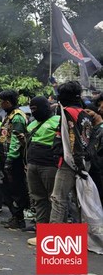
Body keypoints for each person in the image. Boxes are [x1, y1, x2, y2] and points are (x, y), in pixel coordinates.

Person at [50, 81, 92, 223]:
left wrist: (77, 163)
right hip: (83, 162)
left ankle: (53, 237)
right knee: (79, 200)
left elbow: (74, 140)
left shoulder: (68, 113)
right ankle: (81, 238)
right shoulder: (84, 113)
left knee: (58, 198)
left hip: (71, 162)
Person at [25, 96, 60, 245]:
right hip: (33, 165)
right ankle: (42, 233)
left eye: (35, 109)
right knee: (39, 199)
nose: (34, 112)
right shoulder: (32, 124)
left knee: (55, 200)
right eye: (32, 109)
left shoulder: (58, 121)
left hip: (50, 166)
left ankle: (55, 236)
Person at [0, 90, 30, 229]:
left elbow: (16, 140)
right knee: (7, 189)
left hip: (13, 160)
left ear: (8, 102)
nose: (0, 104)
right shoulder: (9, 116)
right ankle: (14, 217)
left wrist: (10, 159)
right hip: (5, 156)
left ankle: (19, 218)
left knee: (16, 189)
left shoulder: (17, 117)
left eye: (2, 101)